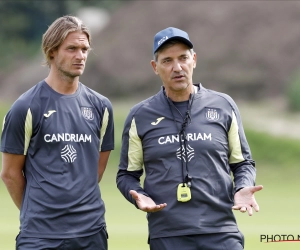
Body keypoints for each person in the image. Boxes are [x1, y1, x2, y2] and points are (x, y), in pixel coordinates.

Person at [116, 27, 263, 250]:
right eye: (167, 61)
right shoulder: (140, 115)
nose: (177, 67)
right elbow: (127, 174)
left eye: (183, 58)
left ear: (194, 60)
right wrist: (139, 197)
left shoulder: (223, 106)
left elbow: (242, 163)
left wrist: (242, 187)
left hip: (221, 231)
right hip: (168, 234)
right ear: (155, 67)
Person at [0, 15, 114, 250]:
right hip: (40, 237)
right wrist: (40, 213)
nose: (80, 56)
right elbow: (10, 173)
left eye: (84, 49)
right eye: (71, 48)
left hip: (91, 234)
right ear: (51, 52)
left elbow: (97, 170)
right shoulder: (26, 107)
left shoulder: (101, 106)